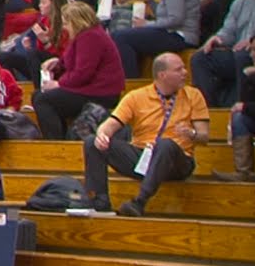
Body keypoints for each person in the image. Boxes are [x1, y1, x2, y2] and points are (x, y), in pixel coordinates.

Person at [83, 52, 209, 216]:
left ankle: (139, 202)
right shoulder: (137, 96)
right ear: (162, 75)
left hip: (177, 159)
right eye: (179, 70)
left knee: (165, 144)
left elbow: (204, 137)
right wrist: (102, 135)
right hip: (143, 155)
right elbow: (109, 125)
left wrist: (191, 134)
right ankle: (100, 203)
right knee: (92, 142)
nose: (185, 73)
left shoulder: (194, 95)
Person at [35, 1, 126, 139]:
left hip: (101, 92)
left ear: (76, 21)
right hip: (90, 89)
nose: (64, 27)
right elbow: (74, 61)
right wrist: (58, 63)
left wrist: (59, 84)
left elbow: (83, 74)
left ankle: (56, 144)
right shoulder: (84, 35)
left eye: (66, 23)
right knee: (38, 95)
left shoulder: (91, 37)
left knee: (43, 100)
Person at [111, 0, 200, 78]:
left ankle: (130, 82)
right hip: (173, 33)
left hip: (180, 36)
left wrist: (147, 24)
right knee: (124, 36)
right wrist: (150, 1)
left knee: (121, 37)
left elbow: (175, 20)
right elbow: (167, 15)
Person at [215, 29, 255, 182]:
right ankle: (243, 171)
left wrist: (247, 107)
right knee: (240, 117)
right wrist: (248, 77)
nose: (251, 54)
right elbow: (244, 104)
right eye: (251, 50)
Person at [0, 0, 69, 82]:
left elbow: (65, 54)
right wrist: (29, 47)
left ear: (54, 4)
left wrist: (46, 42)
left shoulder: (66, 24)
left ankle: (39, 89)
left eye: (43, 3)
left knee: (33, 54)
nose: (40, 6)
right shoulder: (43, 21)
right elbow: (40, 51)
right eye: (40, 3)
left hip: (59, 65)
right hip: (41, 64)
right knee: (4, 57)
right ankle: (12, 87)